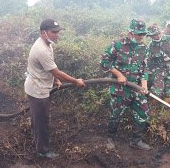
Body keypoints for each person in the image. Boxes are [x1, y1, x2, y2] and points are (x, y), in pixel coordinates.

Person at [24, 19, 85, 158]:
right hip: (38, 90)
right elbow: (56, 71)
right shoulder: (41, 49)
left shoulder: (47, 44)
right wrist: (75, 81)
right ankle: (43, 150)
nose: (57, 35)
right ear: (44, 33)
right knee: (42, 121)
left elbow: (50, 69)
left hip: (38, 85)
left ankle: (36, 140)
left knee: (37, 118)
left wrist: (56, 79)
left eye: (58, 32)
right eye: (54, 32)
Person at [100, 18, 151, 151]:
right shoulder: (117, 44)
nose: (141, 37)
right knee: (115, 115)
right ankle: (110, 139)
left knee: (143, 112)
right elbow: (104, 63)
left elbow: (145, 69)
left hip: (136, 88)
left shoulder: (143, 48)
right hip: (119, 88)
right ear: (130, 33)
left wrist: (144, 85)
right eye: (138, 34)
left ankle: (136, 141)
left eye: (143, 34)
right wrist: (119, 75)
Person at [146, 23, 170, 104]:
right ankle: (153, 109)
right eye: (154, 35)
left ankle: (164, 109)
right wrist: (150, 75)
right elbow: (150, 62)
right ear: (150, 36)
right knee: (155, 92)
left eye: (158, 33)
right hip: (159, 72)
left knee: (168, 92)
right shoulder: (151, 46)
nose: (157, 36)